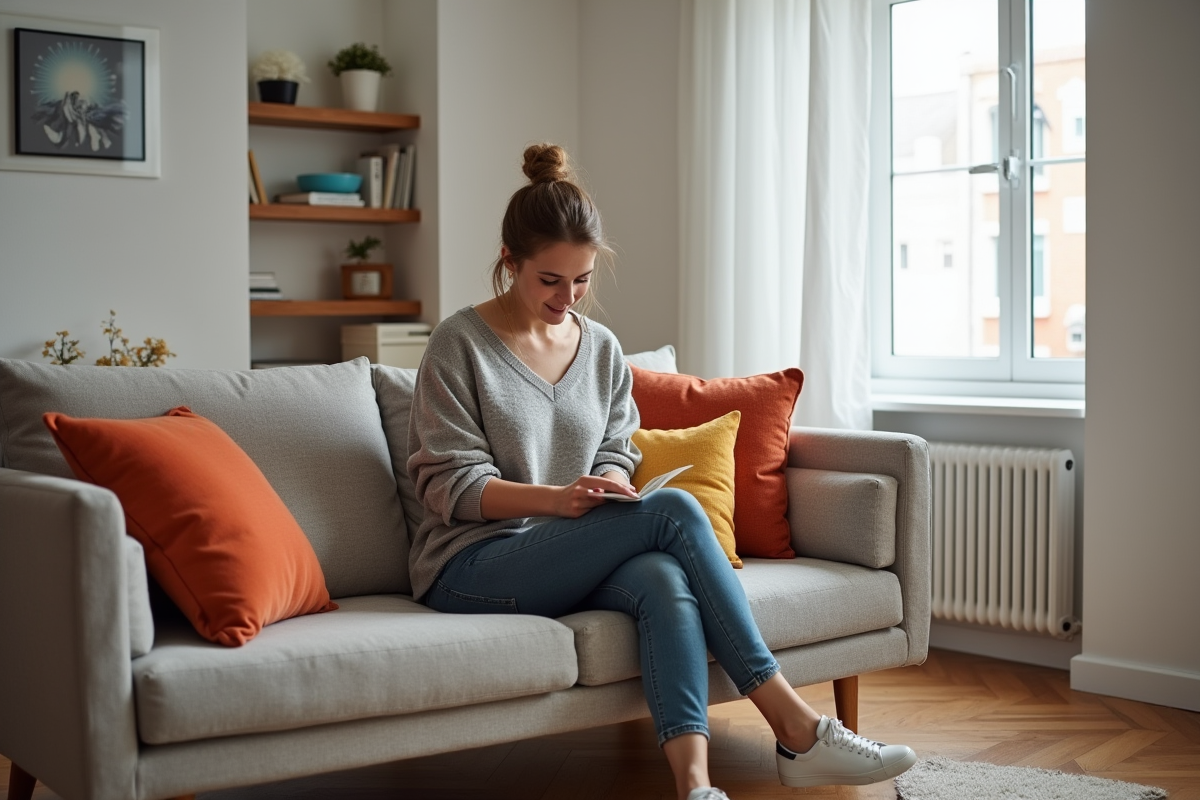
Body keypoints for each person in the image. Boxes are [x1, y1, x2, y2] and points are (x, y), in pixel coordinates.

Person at [407, 143, 917, 800]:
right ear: (510, 263)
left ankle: (696, 788)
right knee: (676, 513)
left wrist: (607, 487)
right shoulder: (458, 344)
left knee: (660, 574)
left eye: (583, 279)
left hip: (569, 547)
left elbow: (617, 449)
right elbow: (448, 486)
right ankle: (796, 727)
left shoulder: (602, 350)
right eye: (550, 281)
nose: (569, 298)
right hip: (470, 565)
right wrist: (558, 500)